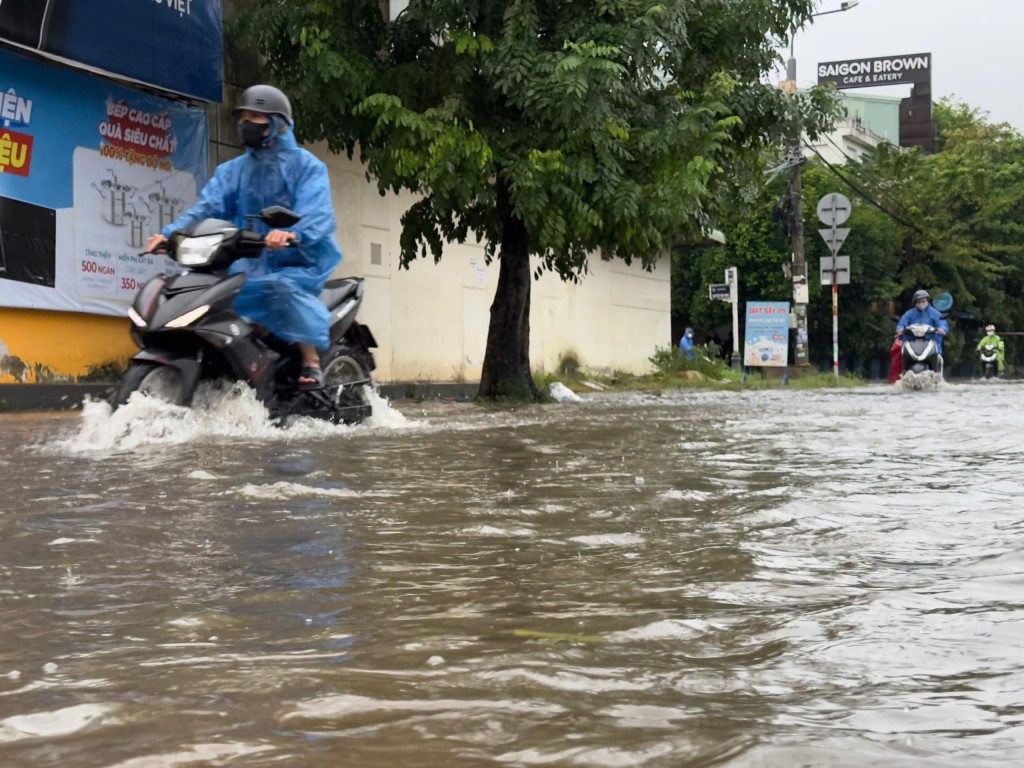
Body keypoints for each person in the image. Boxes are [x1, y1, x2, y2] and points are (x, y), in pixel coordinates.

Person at [146, 84, 343, 389]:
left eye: (255, 116)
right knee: (217, 293)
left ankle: (310, 359)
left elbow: (317, 212)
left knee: (281, 287)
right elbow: (207, 206)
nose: (245, 123)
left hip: (296, 259)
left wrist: (292, 233)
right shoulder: (233, 171)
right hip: (248, 257)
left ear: (276, 122)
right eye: (242, 117)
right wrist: (170, 234)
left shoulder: (307, 167)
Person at [896, 289, 948, 357]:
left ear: (927, 301)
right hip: (911, 344)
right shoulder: (909, 314)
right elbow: (902, 323)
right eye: (918, 302)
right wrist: (900, 329)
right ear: (915, 303)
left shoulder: (935, 313)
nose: (921, 304)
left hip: (932, 345)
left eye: (923, 301)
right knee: (902, 358)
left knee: (938, 359)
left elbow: (941, 323)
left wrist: (942, 329)